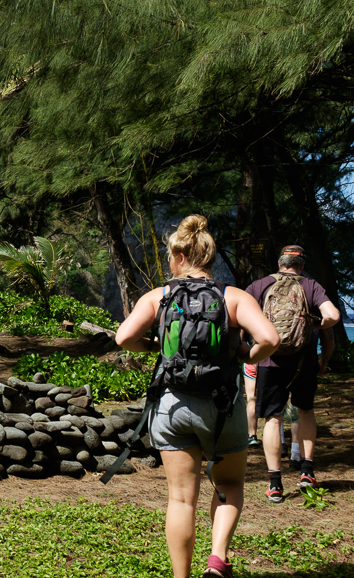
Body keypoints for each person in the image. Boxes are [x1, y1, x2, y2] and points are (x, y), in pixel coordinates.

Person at [116, 215, 279, 578]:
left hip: (172, 406)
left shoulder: (158, 297)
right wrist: (245, 355)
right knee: (230, 484)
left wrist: (153, 348)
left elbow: (123, 337)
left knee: (180, 498)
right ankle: (217, 560)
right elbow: (270, 339)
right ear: (209, 257)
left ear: (178, 256)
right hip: (222, 406)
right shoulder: (234, 297)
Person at [246, 251, 340, 502]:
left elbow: (240, 319)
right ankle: (307, 472)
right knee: (306, 411)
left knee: (273, 419)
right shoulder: (310, 285)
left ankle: (274, 484)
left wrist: (250, 354)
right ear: (302, 265)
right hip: (304, 362)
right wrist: (314, 324)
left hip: (270, 360)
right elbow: (333, 316)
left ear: (279, 264)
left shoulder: (260, 285)